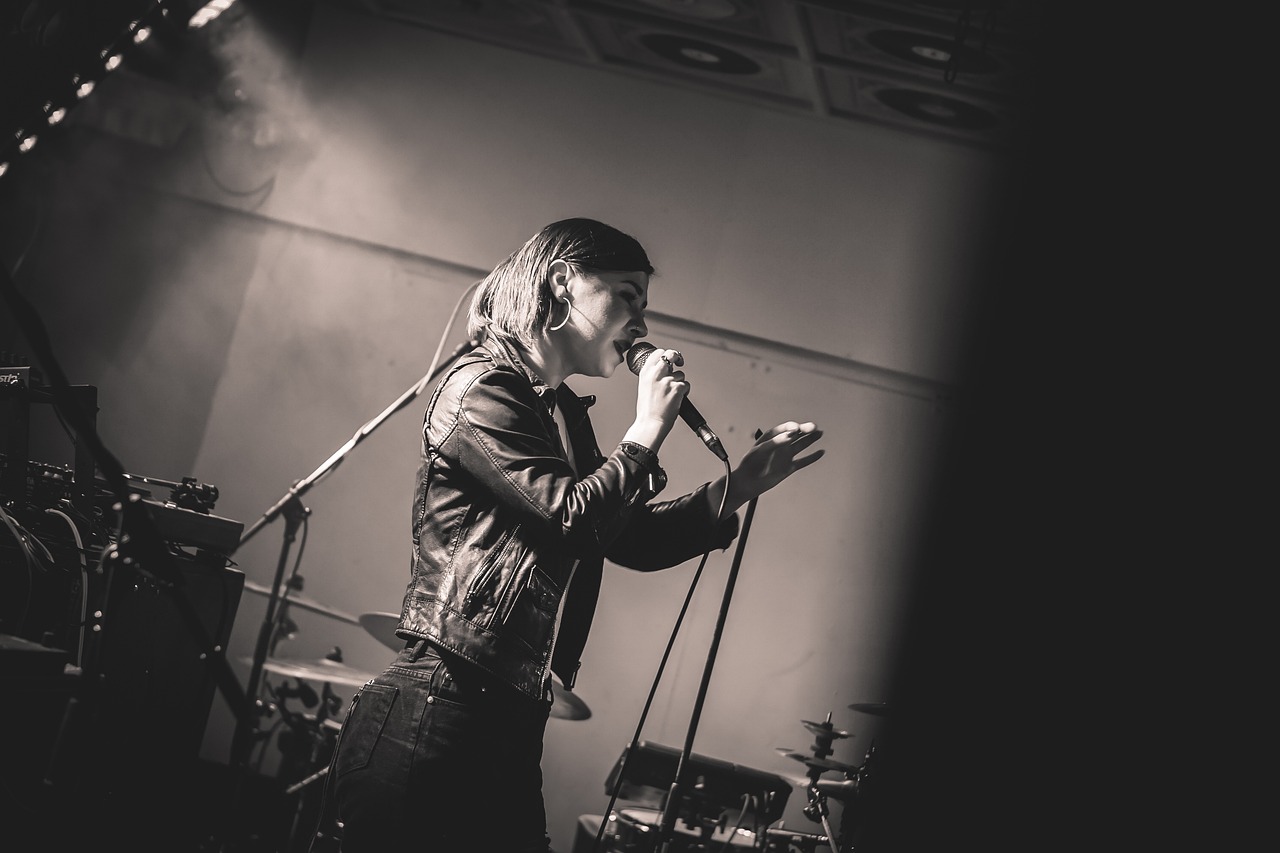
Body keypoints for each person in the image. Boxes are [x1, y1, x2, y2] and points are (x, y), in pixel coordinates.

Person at [310, 218, 824, 852]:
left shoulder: (561, 416)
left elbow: (625, 537)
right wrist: (645, 429)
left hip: (511, 717)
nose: (641, 323)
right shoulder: (481, 388)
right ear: (561, 283)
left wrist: (738, 485)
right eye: (628, 296)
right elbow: (570, 517)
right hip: (440, 705)